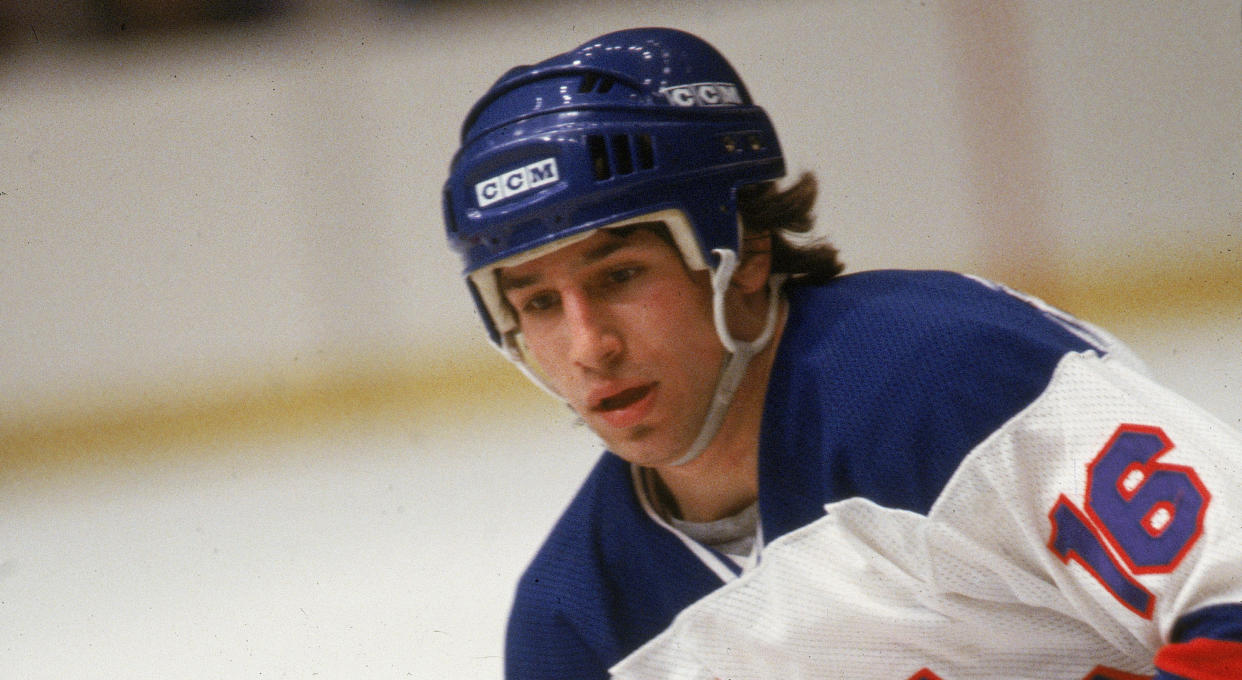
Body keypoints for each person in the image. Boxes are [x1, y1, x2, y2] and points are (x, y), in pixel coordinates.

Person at [441, 27, 1242, 680]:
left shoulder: (946, 379)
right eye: (538, 303)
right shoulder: (576, 628)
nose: (588, 347)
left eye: (619, 275)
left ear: (745, 252)